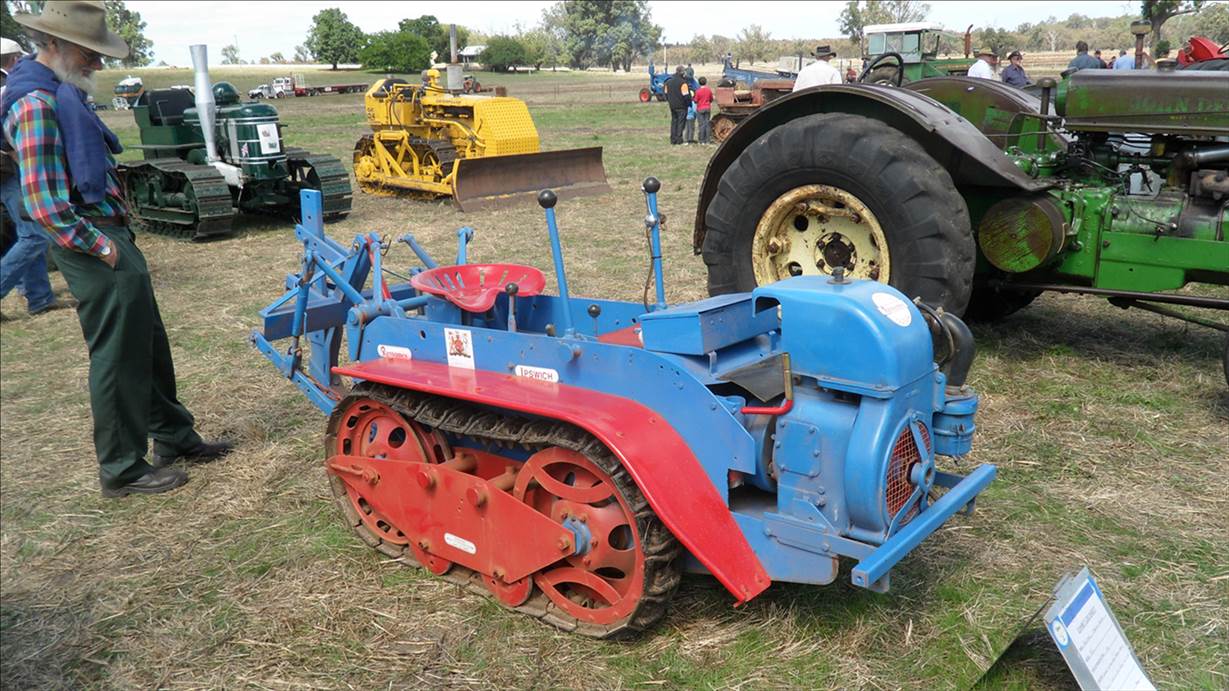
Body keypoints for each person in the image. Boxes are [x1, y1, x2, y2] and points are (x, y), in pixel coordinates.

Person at [4, 1, 232, 497]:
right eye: (90, 52)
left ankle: (173, 436)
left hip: (108, 232)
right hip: (90, 239)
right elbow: (43, 203)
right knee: (116, 356)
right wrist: (100, 248)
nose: (98, 64)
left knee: (146, 344)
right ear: (55, 45)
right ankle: (122, 469)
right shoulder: (36, 104)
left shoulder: (61, 92)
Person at [1, 36, 59, 318]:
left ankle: (39, 296)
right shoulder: (8, 89)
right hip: (8, 170)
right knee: (35, 234)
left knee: (25, 231)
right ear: (13, 61)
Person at [663, 65, 691, 145]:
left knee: (674, 122)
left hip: (672, 106)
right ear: (682, 73)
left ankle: (673, 140)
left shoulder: (668, 82)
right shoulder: (683, 83)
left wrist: (670, 101)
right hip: (682, 106)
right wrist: (688, 104)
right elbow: (686, 96)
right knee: (680, 123)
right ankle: (679, 140)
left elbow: (665, 94)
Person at [693, 76, 713, 144]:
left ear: (699, 83)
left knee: (701, 125)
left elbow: (695, 100)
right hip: (707, 108)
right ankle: (707, 140)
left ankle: (701, 140)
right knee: (707, 124)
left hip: (700, 108)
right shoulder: (708, 90)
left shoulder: (698, 91)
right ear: (706, 82)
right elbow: (711, 99)